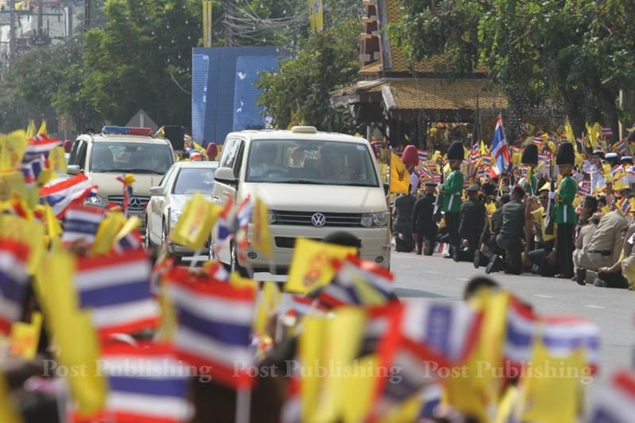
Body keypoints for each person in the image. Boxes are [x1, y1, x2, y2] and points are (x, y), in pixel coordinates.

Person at [554, 142, 577, 279]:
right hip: (561, 216)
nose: (561, 169)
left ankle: (568, 270)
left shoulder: (569, 182)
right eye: (560, 167)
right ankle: (564, 269)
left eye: (563, 167)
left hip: (566, 216)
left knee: (566, 245)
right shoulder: (563, 181)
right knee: (562, 245)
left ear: (570, 166)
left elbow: (567, 200)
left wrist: (556, 198)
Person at [494, 185, 527, 275]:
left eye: (511, 193)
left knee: (511, 267)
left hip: (500, 238)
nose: (510, 195)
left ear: (514, 195)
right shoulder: (523, 207)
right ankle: (499, 262)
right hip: (513, 240)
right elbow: (525, 225)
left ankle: (503, 264)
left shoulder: (505, 206)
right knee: (517, 270)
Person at [442, 141, 465, 261]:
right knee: (450, 229)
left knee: (454, 230)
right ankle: (452, 249)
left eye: (453, 162)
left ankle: (455, 250)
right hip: (448, 205)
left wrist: (443, 189)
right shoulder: (451, 174)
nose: (450, 164)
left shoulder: (458, 175)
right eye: (450, 161)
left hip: (454, 205)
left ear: (459, 162)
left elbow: (454, 189)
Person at [458, 183, 486, 263]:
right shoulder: (480, 206)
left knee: (470, 246)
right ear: (476, 194)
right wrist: (481, 234)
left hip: (462, 230)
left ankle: (460, 251)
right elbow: (481, 222)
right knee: (472, 253)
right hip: (473, 232)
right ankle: (461, 254)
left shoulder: (463, 204)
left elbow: (460, 218)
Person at [412, 181, 438, 255]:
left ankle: (419, 249)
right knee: (431, 238)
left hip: (421, 223)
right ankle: (430, 250)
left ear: (425, 189)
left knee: (419, 239)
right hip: (432, 223)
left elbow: (414, 215)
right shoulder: (436, 201)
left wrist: (413, 230)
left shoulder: (419, 201)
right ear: (434, 190)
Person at [393, 186, 416, 252]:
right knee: (409, 237)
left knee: (398, 235)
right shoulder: (414, 199)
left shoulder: (398, 199)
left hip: (400, 220)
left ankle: (399, 246)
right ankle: (408, 247)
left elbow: (395, 211)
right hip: (410, 221)